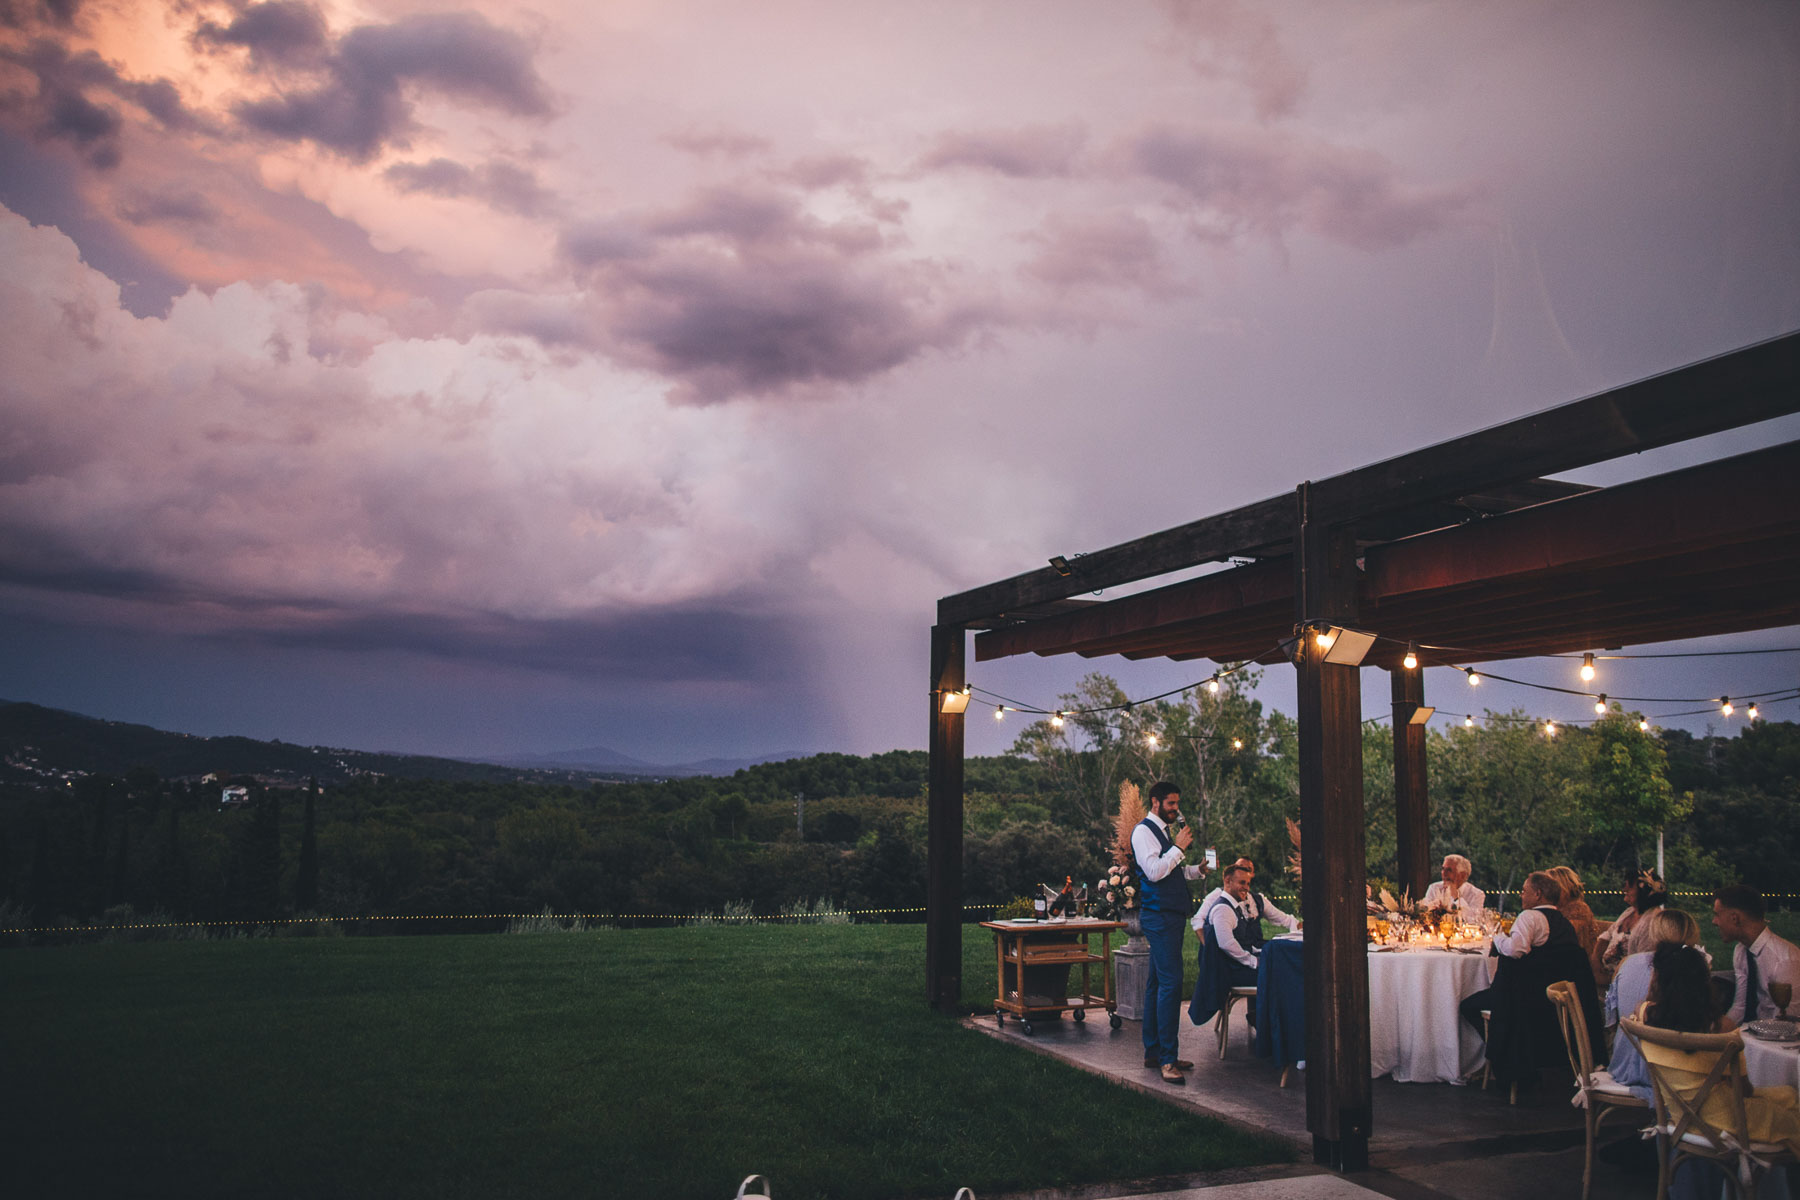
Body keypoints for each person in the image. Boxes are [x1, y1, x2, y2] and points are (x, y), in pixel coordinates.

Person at [1632, 942, 1800, 1191]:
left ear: (1658, 981)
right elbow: (1744, 1091)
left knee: (1787, 1096)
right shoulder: (1723, 1031)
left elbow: (1646, 1002)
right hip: (1727, 1124)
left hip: (1680, 1116)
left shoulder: (1644, 1016)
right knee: (1789, 1105)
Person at [1459, 870, 1603, 1087]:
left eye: (1524, 891)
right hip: (1553, 1002)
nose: (1521, 895)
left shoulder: (1529, 917)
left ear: (1538, 894)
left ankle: (1501, 1055)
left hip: (1523, 1001)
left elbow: (1516, 950)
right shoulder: (1562, 922)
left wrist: (1497, 939)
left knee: (1468, 1005)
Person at [1131, 780, 1206, 1084]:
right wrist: (1178, 847)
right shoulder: (1143, 832)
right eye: (1171, 804)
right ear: (1156, 802)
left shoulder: (1163, 833)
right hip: (1158, 917)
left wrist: (1198, 870)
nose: (1176, 809)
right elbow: (1153, 872)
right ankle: (1168, 1060)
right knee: (1172, 985)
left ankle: (1153, 1051)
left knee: (1156, 984)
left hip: (1171, 915)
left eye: (1177, 803)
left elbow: (1170, 871)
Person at [1604, 908, 1706, 1103]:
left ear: (1654, 933)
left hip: (1624, 1065)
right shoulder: (1696, 967)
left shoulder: (1627, 962)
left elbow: (1611, 1021)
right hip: (1673, 1074)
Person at [1187, 863, 1269, 1031]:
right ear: (1227, 881)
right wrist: (1254, 961)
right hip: (1230, 973)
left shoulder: (1234, 906)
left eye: (1247, 883)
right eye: (1241, 883)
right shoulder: (1223, 909)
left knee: (1276, 966)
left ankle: (1263, 1017)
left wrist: (1262, 952)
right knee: (1277, 974)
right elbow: (1227, 944)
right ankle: (1266, 1022)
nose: (1246, 888)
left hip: (1235, 967)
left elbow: (1242, 941)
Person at [1712, 883, 1800, 1024]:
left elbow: (1785, 1024)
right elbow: (1740, 1007)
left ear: (1735, 918)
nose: (1714, 922)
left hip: (1778, 1039)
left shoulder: (1785, 960)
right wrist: (1713, 1032)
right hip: (1754, 1033)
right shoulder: (1741, 951)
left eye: (1717, 914)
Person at [1601, 869, 1667, 971]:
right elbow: (1607, 936)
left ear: (1643, 892)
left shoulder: (1653, 921)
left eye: (1630, 886)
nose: (1624, 889)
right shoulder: (1629, 911)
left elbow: (1643, 963)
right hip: (1606, 974)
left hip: (1627, 977)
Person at [1546, 865, 1601, 971]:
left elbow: (1564, 938)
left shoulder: (1579, 908)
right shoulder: (1558, 908)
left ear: (1563, 887)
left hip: (1576, 966)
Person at [1421, 854, 1486, 914]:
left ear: (1462, 875)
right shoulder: (1434, 888)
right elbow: (1424, 914)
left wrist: (1456, 897)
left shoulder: (1477, 895)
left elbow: (1473, 920)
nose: (1444, 873)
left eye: (1449, 870)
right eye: (1443, 869)